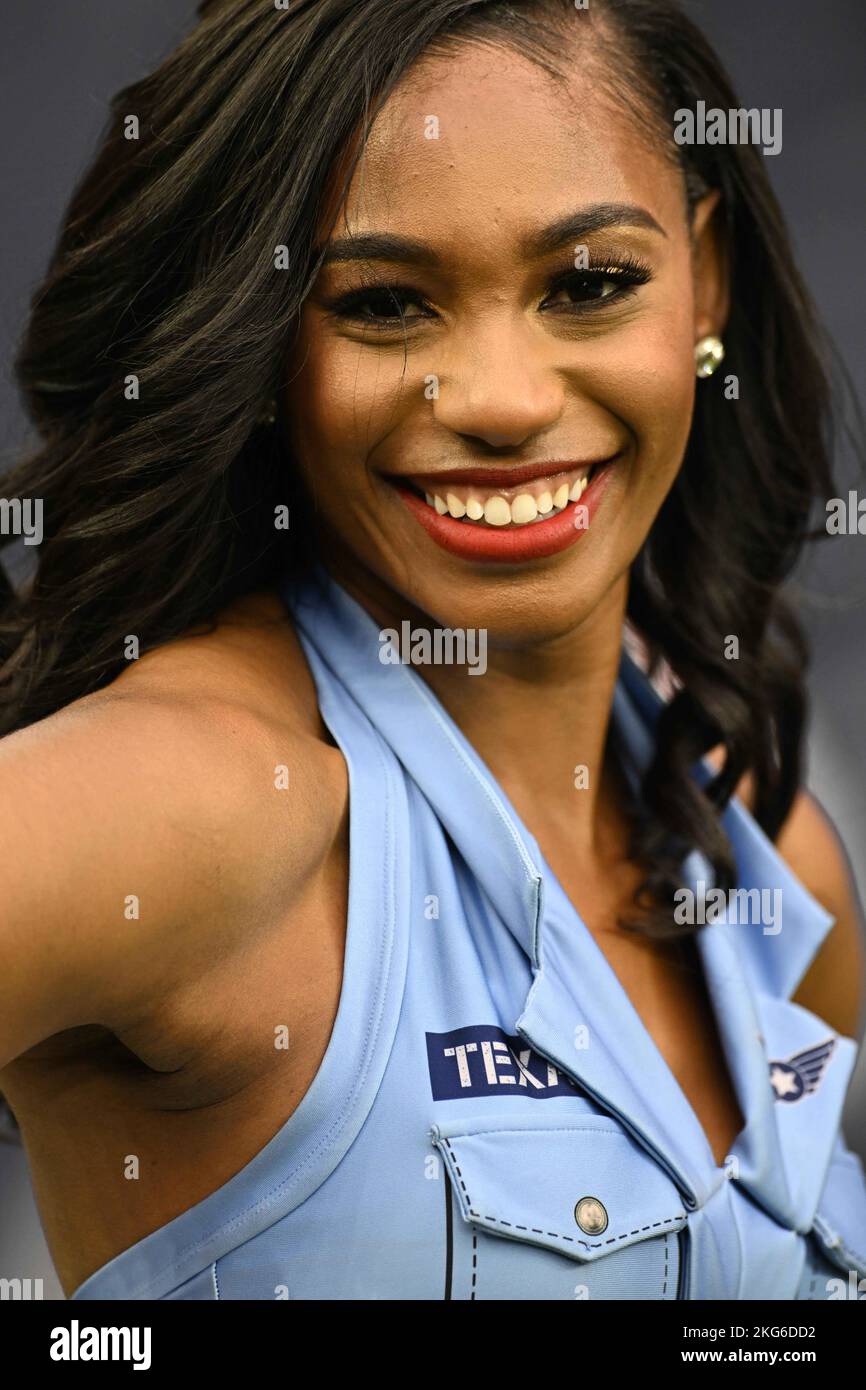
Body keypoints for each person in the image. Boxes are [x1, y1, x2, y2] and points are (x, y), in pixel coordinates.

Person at [0, 0, 864, 1301]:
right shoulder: (192, 805)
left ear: (707, 274)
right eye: (387, 304)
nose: (504, 401)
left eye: (587, 285)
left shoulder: (763, 857)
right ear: (265, 335)